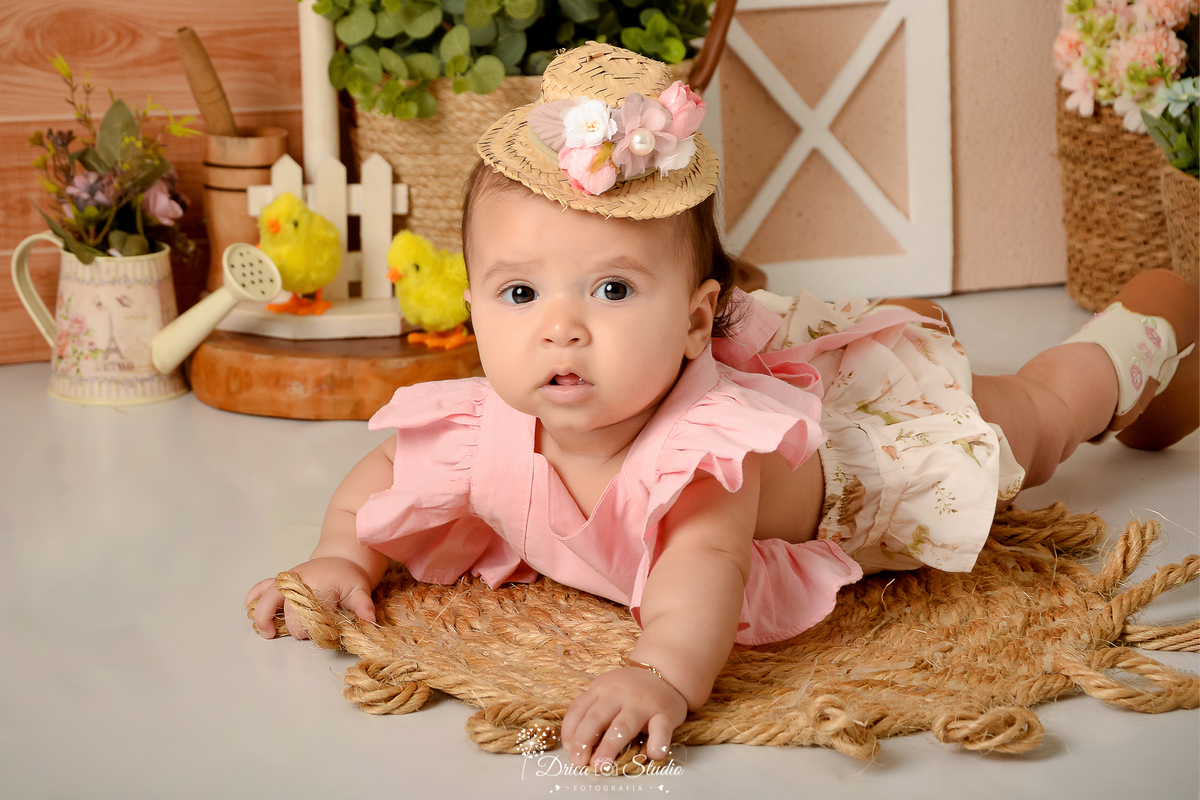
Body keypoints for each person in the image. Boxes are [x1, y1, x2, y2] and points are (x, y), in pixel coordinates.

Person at [247, 43, 1198, 771]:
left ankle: (1136, 334)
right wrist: (343, 553)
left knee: (1030, 419)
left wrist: (658, 673)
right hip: (789, 392)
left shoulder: (699, 455)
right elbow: (381, 473)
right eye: (521, 294)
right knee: (905, 351)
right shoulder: (485, 422)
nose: (562, 330)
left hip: (864, 463)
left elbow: (698, 579)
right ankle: (1066, 370)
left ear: (698, 321)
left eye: (612, 292)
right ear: (474, 309)